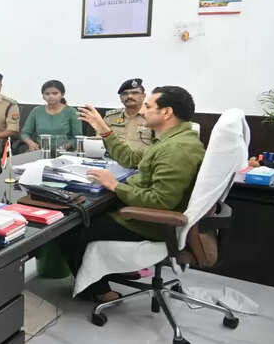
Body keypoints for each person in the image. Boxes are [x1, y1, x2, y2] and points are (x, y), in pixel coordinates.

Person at [57, 86, 204, 303]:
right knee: (87, 214)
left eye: (148, 106)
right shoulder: (172, 139)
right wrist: (104, 129)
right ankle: (103, 272)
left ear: (167, 112)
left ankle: (97, 290)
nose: (142, 110)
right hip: (145, 212)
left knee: (69, 228)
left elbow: (161, 201)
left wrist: (115, 185)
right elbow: (130, 158)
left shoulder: (177, 149)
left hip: (150, 222)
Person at [21, 80, 82, 152]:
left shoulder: (72, 112)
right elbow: (25, 133)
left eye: (55, 93)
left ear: (62, 94)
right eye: (47, 94)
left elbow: (77, 137)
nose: (51, 96)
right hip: (40, 151)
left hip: (64, 152)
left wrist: (68, 145)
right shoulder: (36, 111)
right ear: (43, 96)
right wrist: (30, 143)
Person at [103, 78, 154, 150]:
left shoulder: (154, 117)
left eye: (135, 93)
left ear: (143, 96)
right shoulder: (110, 118)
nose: (129, 96)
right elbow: (99, 142)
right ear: (121, 98)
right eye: (125, 93)